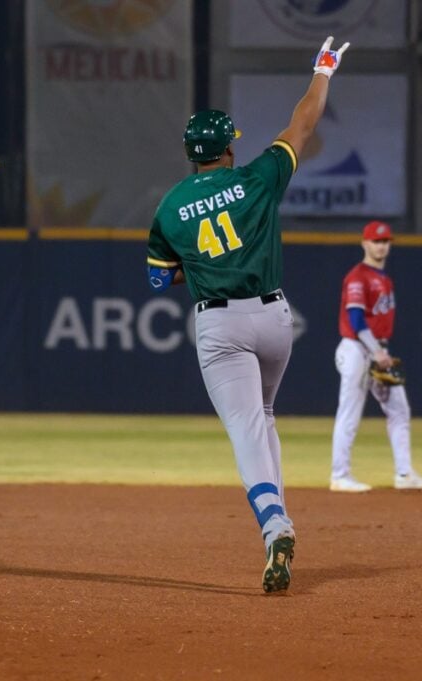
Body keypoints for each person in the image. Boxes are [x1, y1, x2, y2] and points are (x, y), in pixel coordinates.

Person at [146, 37, 350, 593]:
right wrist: (323, 71)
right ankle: (279, 519)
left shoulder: (169, 206)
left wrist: (199, 261)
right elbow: (302, 125)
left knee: (245, 429)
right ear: (228, 149)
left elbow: (160, 276)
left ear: (193, 154)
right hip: (275, 319)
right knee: (264, 415)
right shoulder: (256, 178)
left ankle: (275, 525)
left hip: (221, 325)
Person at [329, 220, 422, 493]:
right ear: (365, 243)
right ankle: (340, 475)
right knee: (349, 411)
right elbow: (355, 319)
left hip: (378, 350)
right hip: (357, 349)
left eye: (385, 241)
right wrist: (376, 350)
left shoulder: (384, 279)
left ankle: (404, 474)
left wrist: (380, 351)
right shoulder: (358, 277)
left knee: (399, 410)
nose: (381, 246)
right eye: (376, 241)